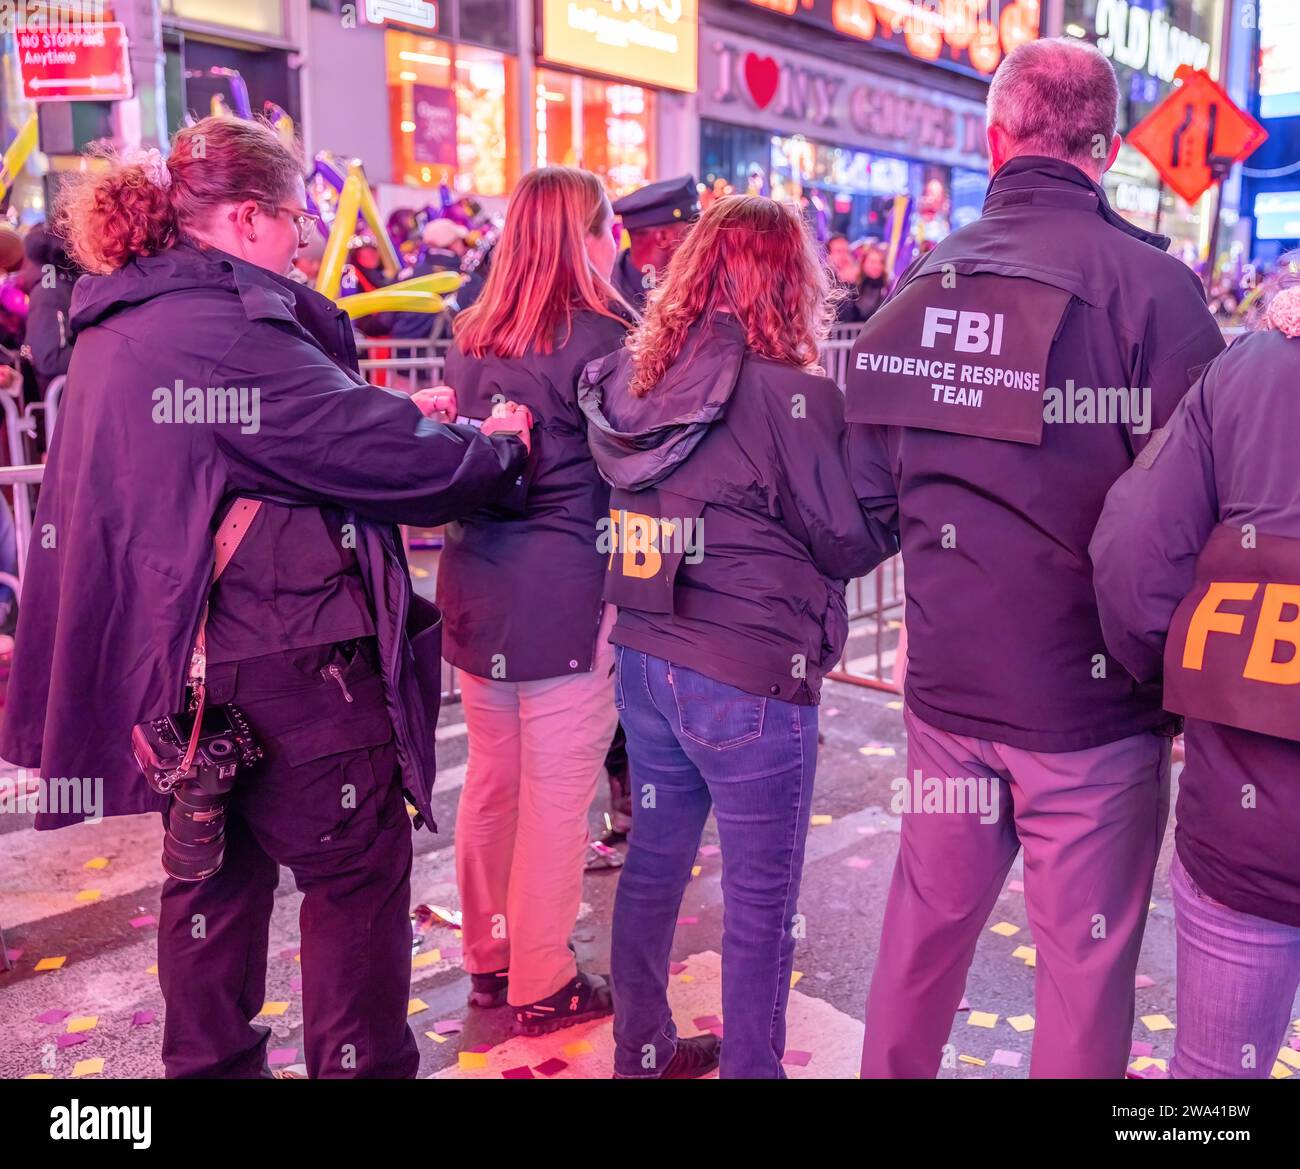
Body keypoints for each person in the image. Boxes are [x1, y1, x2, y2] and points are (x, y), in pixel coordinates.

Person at [0, 117, 531, 1079]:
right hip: (290, 654)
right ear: (247, 217)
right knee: (355, 877)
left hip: (187, 663)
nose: (304, 234)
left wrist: (388, 410)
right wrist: (502, 446)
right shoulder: (225, 324)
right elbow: (380, 459)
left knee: (213, 882)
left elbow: (260, 443)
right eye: (296, 215)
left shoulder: (131, 317)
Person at [846, 38, 1226, 1079]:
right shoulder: (1157, 291)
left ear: (993, 138)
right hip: (1090, 712)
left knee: (920, 945)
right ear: (1104, 150)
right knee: (1084, 979)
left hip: (946, 697)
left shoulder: (924, 280)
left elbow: (869, 492)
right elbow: (1193, 515)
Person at [581, 194, 893, 1079]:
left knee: (654, 863)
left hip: (647, 657)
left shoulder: (632, 377)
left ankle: (639, 1050)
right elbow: (848, 536)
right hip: (749, 670)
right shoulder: (792, 397)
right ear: (787, 283)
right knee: (761, 896)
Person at [1090, 262, 1300, 1079]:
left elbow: (1133, 556)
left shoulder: (1256, 366)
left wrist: (1177, 685)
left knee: (1212, 1089)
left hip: (1247, 814)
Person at [436, 166, 631, 1035]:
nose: (619, 241)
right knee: (557, 793)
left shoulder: (472, 332)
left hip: (480, 583)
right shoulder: (603, 337)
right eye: (609, 227)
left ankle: (492, 955)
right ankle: (544, 978)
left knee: (493, 780)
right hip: (566, 590)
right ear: (581, 236)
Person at [609, 174, 698, 313]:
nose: (698, 239)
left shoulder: (697, 287)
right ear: (663, 237)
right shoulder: (605, 300)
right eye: (691, 229)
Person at [17, 224, 79, 395]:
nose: (21, 270)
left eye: (24, 261)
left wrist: (97, 355)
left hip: (59, 403)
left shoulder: (47, 293)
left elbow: (48, 359)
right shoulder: (65, 286)